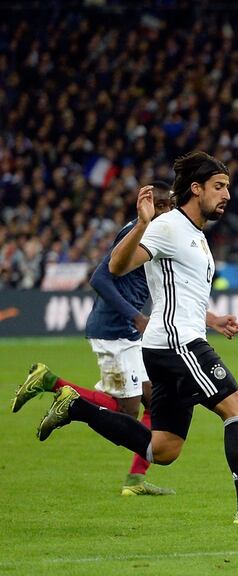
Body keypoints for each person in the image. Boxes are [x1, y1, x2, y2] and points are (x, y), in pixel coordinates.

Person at [29, 151, 238, 525]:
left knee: (163, 450)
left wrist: (213, 319)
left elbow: (180, 293)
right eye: (219, 187)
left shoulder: (195, 235)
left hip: (169, 343)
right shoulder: (167, 226)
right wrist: (141, 224)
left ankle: (76, 407)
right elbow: (117, 267)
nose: (227, 195)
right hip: (177, 344)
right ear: (196, 189)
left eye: (228, 187)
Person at [11, 182, 177, 497]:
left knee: (154, 399)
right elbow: (99, 277)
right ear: (150, 205)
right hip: (116, 332)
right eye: (165, 206)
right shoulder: (134, 232)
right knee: (124, 414)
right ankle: (52, 383)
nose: (170, 212)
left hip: (126, 332)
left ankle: (135, 481)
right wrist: (136, 316)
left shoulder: (154, 234)